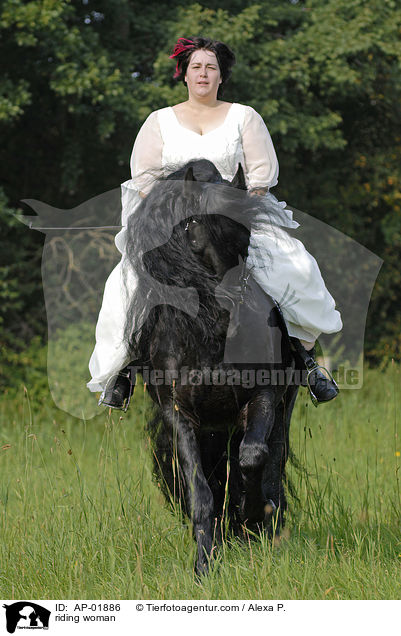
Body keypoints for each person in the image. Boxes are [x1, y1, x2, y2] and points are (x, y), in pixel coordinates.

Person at [88, 36, 342, 408]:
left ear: (221, 76)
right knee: (123, 283)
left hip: (234, 219)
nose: (203, 74)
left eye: (211, 67)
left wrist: (231, 216)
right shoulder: (158, 121)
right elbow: (143, 181)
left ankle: (305, 361)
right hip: (176, 227)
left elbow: (260, 177)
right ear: (184, 75)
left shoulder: (245, 116)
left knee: (297, 267)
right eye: (197, 67)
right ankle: (124, 371)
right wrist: (177, 220)